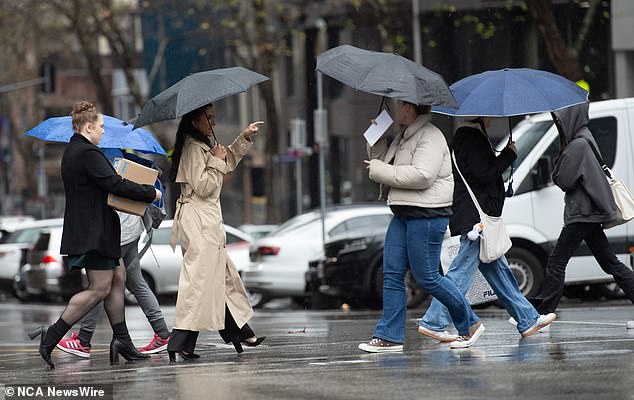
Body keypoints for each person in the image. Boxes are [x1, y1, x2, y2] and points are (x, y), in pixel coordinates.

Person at [29, 101, 161, 368]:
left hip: (96, 231)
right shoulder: (88, 153)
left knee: (118, 278)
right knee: (99, 288)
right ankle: (51, 335)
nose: (103, 131)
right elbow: (114, 184)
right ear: (88, 127)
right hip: (94, 233)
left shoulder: (75, 151)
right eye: (100, 127)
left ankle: (123, 341)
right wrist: (151, 193)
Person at [358, 100, 484, 353]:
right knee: (392, 275)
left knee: (427, 277)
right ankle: (389, 336)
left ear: (409, 107)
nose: (394, 109)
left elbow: (422, 175)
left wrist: (379, 169)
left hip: (427, 215)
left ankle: (469, 324)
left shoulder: (431, 136)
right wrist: (377, 139)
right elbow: (385, 163)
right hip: (403, 212)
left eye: (397, 105)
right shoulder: (403, 136)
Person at [417, 117, 556, 342]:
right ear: (479, 116)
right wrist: (509, 155)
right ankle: (434, 321)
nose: (492, 118)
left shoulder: (467, 137)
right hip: (476, 220)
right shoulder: (471, 138)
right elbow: (485, 174)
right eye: (488, 114)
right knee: (460, 273)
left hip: (473, 215)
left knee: (499, 272)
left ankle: (527, 318)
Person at [166, 103, 265, 362]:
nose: (213, 123)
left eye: (214, 118)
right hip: (199, 221)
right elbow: (204, 186)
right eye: (208, 119)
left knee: (215, 279)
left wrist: (243, 138)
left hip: (205, 221)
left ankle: (238, 331)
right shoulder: (192, 147)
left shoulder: (201, 145)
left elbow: (225, 162)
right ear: (194, 121)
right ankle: (180, 341)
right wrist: (217, 161)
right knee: (201, 282)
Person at [533, 102, 634, 314]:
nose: (558, 125)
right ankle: (541, 313)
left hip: (582, 213)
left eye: (559, 121)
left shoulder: (577, 145)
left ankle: (542, 314)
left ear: (569, 118)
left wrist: (558, 161)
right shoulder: (586, 137)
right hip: (590, 212)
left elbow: (564, 180)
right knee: (611, 264)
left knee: (557, 262)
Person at [56, 211, 171, 358]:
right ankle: (162, 334)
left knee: (100, 284)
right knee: (136, 283)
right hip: (132, 228)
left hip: (118, 233)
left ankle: (83, 339)